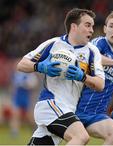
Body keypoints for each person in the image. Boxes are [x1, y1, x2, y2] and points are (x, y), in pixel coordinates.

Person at [17, 8, 105, 145]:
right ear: (74, 27)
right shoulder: (54, 44)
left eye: (92, 26)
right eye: (87, 25)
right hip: (51, 104)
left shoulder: (92, 52)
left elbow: (100, 84)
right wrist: (40, 67)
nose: (92, 30)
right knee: (81, 137)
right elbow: (22, 64)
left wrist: (83, 76)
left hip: (69, 109)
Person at [76, 10, 113, 145]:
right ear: (105, 29)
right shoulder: (98, 43)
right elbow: (93, 57)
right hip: (74, 109)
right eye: (112, 26)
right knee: (78, 140)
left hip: (96, 114)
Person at [10, 70, 38, 137]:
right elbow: (14, 84)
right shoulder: (17, 74)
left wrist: (26, 84)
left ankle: (34, 129)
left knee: (29, 116)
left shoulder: (30, 75)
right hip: (18, 96)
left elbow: (33, 85)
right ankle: (14, 131)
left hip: (26, 96)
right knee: (16, 114)